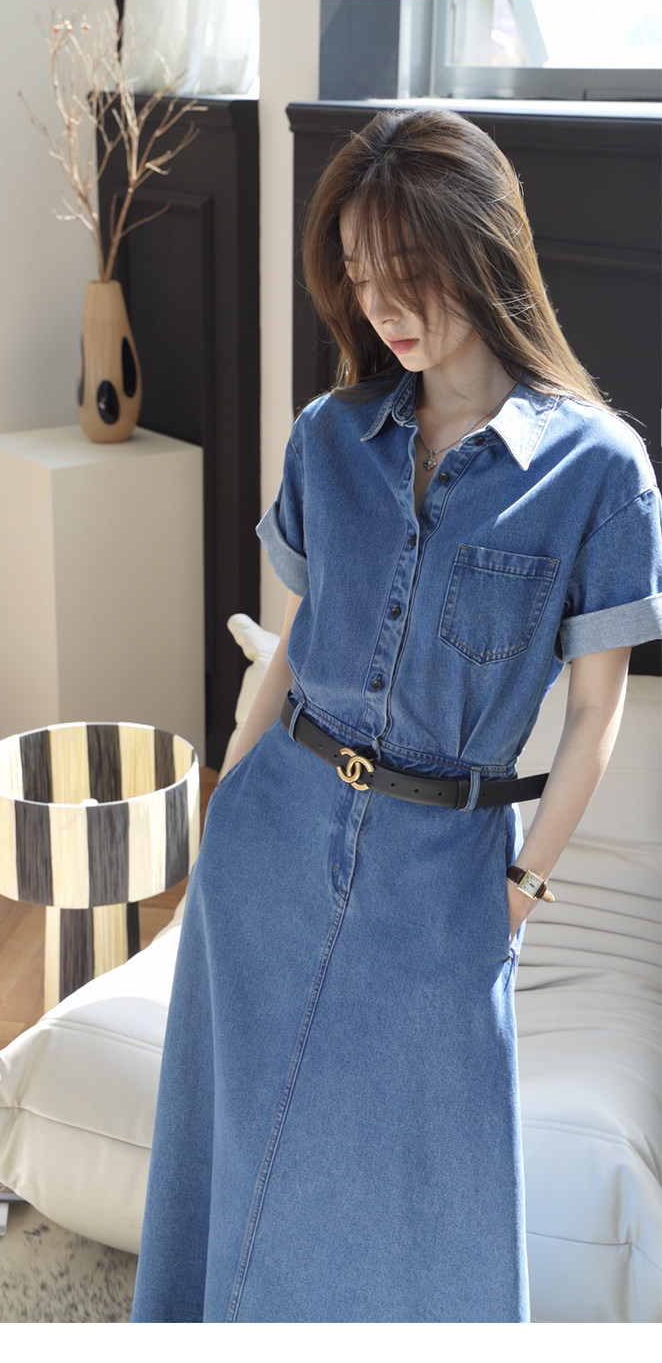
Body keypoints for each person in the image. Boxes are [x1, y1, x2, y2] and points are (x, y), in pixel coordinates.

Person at [131, 107, 662, 1324]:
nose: (381, 306)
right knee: (231, 1158)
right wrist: (226, 802)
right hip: (273, 837)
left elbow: (596, 712)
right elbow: (293, 643)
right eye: (359, 275)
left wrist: (521, 889)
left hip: (446, 877)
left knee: (431, 1213)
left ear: (481, 244)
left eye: (407, 269)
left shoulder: (597, 471)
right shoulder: (331, 438)